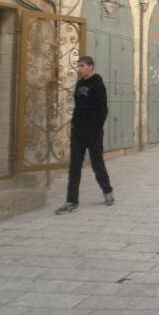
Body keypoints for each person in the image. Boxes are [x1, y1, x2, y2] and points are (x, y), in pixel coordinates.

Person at [55, 56, 114, 214]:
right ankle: (71, 201)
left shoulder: (97, 84)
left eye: (82, 65)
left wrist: (96, 128)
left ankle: (108, 191)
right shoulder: (80, 84)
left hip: (93, 132)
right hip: (78, 132)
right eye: (78, 65)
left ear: (90, 67)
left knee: (97, 163)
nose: (79, 68)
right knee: (74, 166)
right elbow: (78, 107)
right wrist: (75, 125)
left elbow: (103, 110)